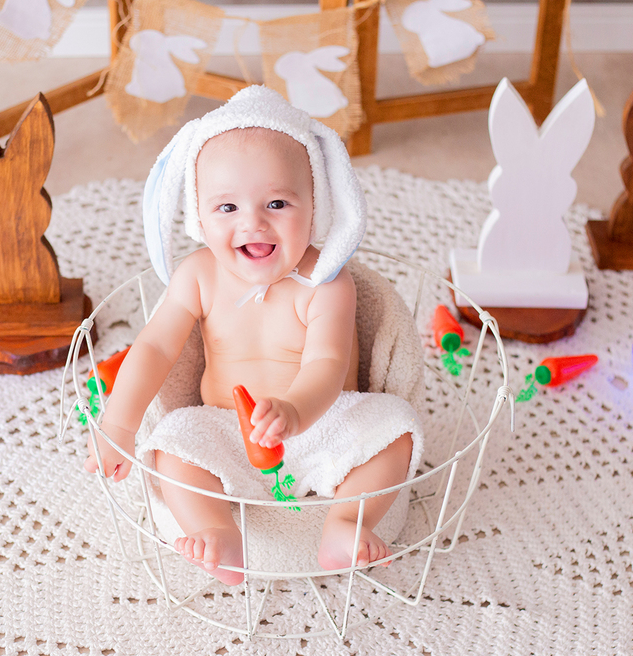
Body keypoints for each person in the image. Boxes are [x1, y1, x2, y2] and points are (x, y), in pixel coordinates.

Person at [85, 86, 423, 585]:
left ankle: (346, 523)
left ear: (317, 207)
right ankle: (216, 530)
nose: (253, 223)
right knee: (171, 442)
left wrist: (293, 412)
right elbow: (154, 347)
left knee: (396, 424)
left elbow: (326, 364)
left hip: (321, 427)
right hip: (225, 431)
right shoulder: (199, 275)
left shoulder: (325, 281)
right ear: (197, 215)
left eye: (278, 202)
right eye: (227, 208)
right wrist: (119, 424)